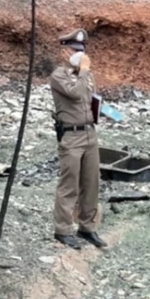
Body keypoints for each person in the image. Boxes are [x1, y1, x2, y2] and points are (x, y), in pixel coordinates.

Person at [51, 28, 107, 250]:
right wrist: (83, 71)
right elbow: (74, 92)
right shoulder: (59, 75)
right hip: (71, 135)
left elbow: (88, 96)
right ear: (64, 51)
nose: (80, 55)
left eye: (82, 51)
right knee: (69, 184)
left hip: (89, 133)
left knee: (91, 183)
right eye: (75, 50)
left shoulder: (86, 75)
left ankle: (87, 227)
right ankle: (63, 230)